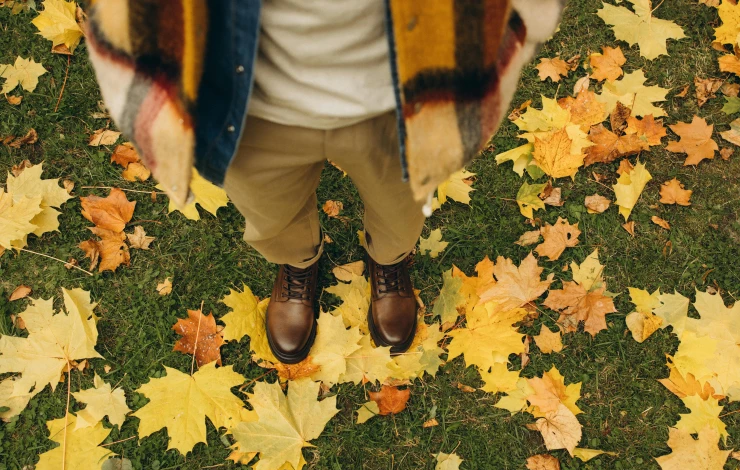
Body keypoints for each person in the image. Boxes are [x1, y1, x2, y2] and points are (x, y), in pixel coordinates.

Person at [84, 0, 563, 364]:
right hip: (249, 105)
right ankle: (298, 263)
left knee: (400, 204)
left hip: (400, 99)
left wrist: (523, 26)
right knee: (271, 210)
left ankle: (390, 261)